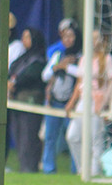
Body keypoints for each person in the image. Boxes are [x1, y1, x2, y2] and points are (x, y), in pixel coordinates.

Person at [65, 31, 112, 176]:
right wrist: (71, 102)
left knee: (95, 138)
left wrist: (107, 104)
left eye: (95, 39)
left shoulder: (107, 59)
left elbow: (111, 84)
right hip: (83, 100)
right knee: (73, 136)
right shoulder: (84, 59)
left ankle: (94, 171)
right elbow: (79, 82)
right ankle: (83, 168)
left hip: (98, 100)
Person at [41, 20, 82, 173]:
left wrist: (68, 67)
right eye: (65, 37)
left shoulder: (80, 55)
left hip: (72, 102)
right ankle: (48, 168)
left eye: (71, 36)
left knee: (73, 137)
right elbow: (45, 75)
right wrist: (58, 66)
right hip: (55, 101)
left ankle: (75, 168)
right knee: (50, 137)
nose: (68, 40)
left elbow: (82, 73)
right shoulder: (58, 55)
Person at [7, 27, 47, 172]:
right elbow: (11, 70)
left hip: (30, 100)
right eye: (23, 37)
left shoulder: (39, 58)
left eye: (28, 37)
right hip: (17, 99)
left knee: (28, 135)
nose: (24, 40)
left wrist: (15, 83)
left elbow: (32, 75)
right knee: (18, 134)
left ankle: (30, 167)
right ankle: (23, 165)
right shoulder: (22, 58)